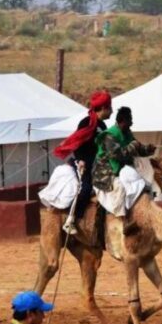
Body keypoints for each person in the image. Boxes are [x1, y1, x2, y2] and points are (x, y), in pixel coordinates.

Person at [53, 90, 112, 234]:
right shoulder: (86, 123)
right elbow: (77, 143)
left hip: (97, 165)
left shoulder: (103, 126)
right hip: (83, 164)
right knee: (85, 189)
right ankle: (71, 219)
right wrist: (80, 160)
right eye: (110, 108)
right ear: (103, 108)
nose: (111, 111)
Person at [92, 107, 155, 233]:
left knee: (144, 185)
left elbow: (137, 148)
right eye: (129, 120)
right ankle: (122, 220)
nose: (131, 123)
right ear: (122, 121)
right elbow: (117, 155)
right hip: (106, 173)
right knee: (120, 187)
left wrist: (148, 149)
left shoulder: (127, 133)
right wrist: (133, 146)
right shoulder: (110, 135)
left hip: (122, 170)